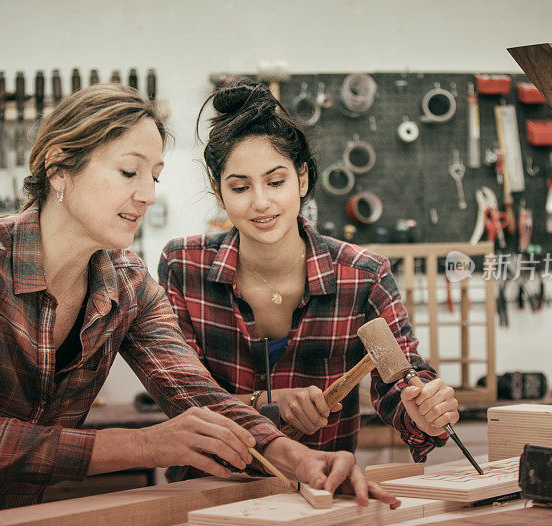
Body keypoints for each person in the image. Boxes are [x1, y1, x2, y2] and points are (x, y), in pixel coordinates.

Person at [0, 84, 398, 526]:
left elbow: (196, 394)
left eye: (156, 176)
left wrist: (297, 457)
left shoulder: (128, 284)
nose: (148, 194)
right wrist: (147, 447)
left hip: (3, 521)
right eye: (129, 172)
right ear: (60, 168)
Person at [158, 81, 459, 480]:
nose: (261, 202)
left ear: (301, 179)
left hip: (319, 493)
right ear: (218, 191)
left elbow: (401, 376)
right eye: (240, 187)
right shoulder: (183, 265)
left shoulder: (363, 276)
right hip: (205, 493)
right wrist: (267, 403)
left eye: (276, 181)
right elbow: (182, 397)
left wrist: (425, 411)